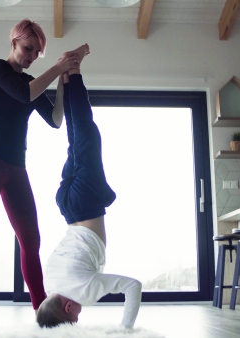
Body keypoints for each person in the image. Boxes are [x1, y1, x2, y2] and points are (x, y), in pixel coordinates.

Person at [0, 18, 88, 335]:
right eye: (28, 48)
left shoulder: (32, 81)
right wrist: (57, 66)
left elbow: (54, 120)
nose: (30, 56)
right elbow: (23, 94)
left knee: (31, 239)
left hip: (15, 167)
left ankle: (43, 316)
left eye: (36, 52)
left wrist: (63, 82)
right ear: (14, 42)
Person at [36, 65, 143, 329]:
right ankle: (69, 82)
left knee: (87, 133)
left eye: (75, 316)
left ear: (69, 306)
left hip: (84, 204)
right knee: (77, 139)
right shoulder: (49, 283)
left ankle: (74, 71)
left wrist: (125, 330)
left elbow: (133, 286)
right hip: (67, 206)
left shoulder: (83, 292)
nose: (79, 315)